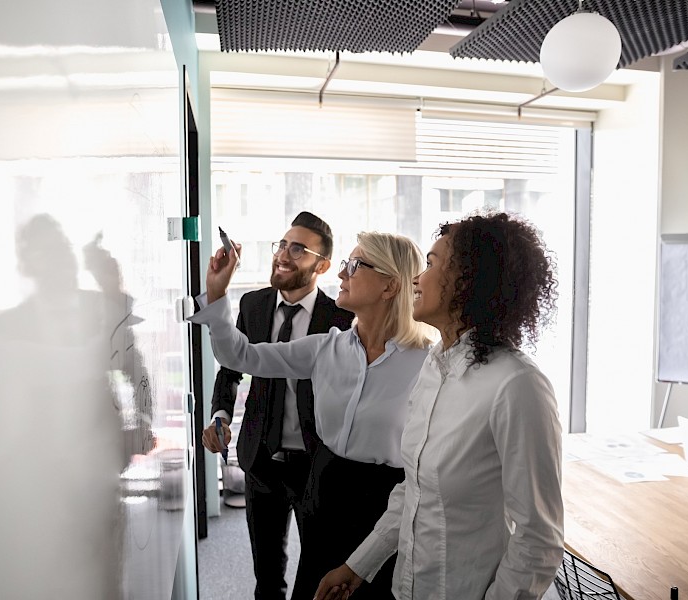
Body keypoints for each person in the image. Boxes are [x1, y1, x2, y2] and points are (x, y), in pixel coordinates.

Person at [314, 211, 564, 600]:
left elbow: (539, 539)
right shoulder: (434, 365)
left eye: (430, 264)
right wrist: (356, 567)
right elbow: (412, 492)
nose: (416, 277)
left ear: (469, 280)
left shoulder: (517, 385)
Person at [194, 228, 433, 600]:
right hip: (324, 490)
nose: (341, 274)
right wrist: (217, 293)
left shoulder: (427, 364)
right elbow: (241, 357)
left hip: (388, 504)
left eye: (355, 265)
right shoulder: (327, 348)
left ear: (390, 286)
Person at [200, 212, 354, 600]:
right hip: (261, 460)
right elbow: (232, 368)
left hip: (317, 465)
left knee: (317, 574)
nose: (283, 255)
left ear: (322, 265)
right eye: (282, 245)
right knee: (267, 578)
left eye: (298, 249)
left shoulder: (341, 319)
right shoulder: (253, 304)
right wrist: (220, 414)